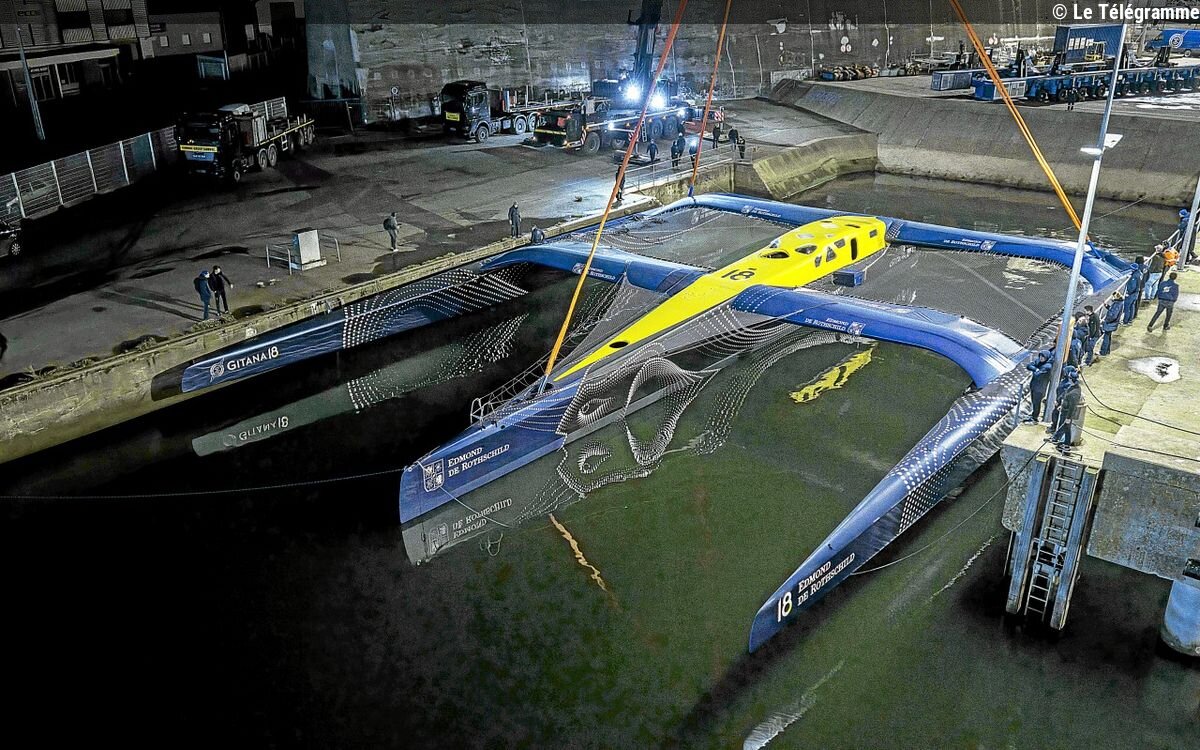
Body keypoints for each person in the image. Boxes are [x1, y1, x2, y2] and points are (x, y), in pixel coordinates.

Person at [1052, 370, 1083, 451]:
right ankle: (1057, 438)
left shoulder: (1075, 392)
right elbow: (1065, 394)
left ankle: (1066, 445)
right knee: (1064, 426)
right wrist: (1060, 403)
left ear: (1071, 379)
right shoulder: (1072, 387)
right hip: (1064, 410)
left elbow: (1072, 407)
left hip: (1068, 413)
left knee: (1067, 428)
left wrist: (1068, 418)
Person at [1025, 348, 1053, 422]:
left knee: (1036, 403)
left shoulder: (1048, 366)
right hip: (1034, 386)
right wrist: (1036, 369)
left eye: (1043, 357)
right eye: (1040, 356)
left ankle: (1035, 417)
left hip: (1040, 389)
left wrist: (1035, 369)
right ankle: (1033, 415)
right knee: (1034, 402)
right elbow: (1028, 366)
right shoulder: (1039, 361)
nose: (1041, 358)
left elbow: (1037, 375)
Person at [1122, 257, 1143, 324]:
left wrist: (1128, 293)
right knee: (1132, 306)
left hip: (1131, 294)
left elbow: (1132, 286)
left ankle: (1125, 321)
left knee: (1127, 307)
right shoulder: (1139, 273)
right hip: (1136, 293)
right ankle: (1130, 320)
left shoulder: (1134, 276)